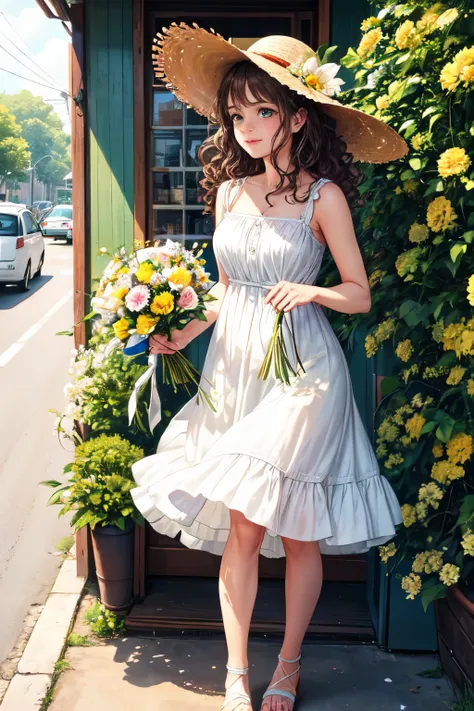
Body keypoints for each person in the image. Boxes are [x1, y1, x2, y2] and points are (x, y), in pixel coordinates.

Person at [131, 26, 407, 711]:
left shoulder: (324, 199)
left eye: (262, 110)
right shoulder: (230, 194)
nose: (247, 126)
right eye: (236, 114)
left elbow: (359, 293)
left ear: (296, 114)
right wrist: (180, 333)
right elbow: (226, 291)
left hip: (304, 373)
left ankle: (286, 665)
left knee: (299, 526)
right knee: (246, 526)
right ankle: (234, 672)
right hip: (238, 369)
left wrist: (313, 290)